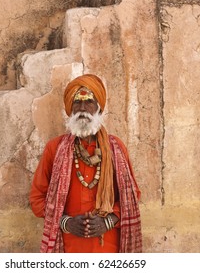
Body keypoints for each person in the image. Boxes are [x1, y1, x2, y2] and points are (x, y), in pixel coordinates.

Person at [29, 74, 142, 253]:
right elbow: (37, 199)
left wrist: (109, 220)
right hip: (68, 247)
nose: (82, 108)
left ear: (98, 108)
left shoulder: (116, 148)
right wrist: (66, 222)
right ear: (70, 109)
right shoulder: (54, 148)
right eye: (76, 102)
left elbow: (132, 196)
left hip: (109, 247)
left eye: (89, 101)